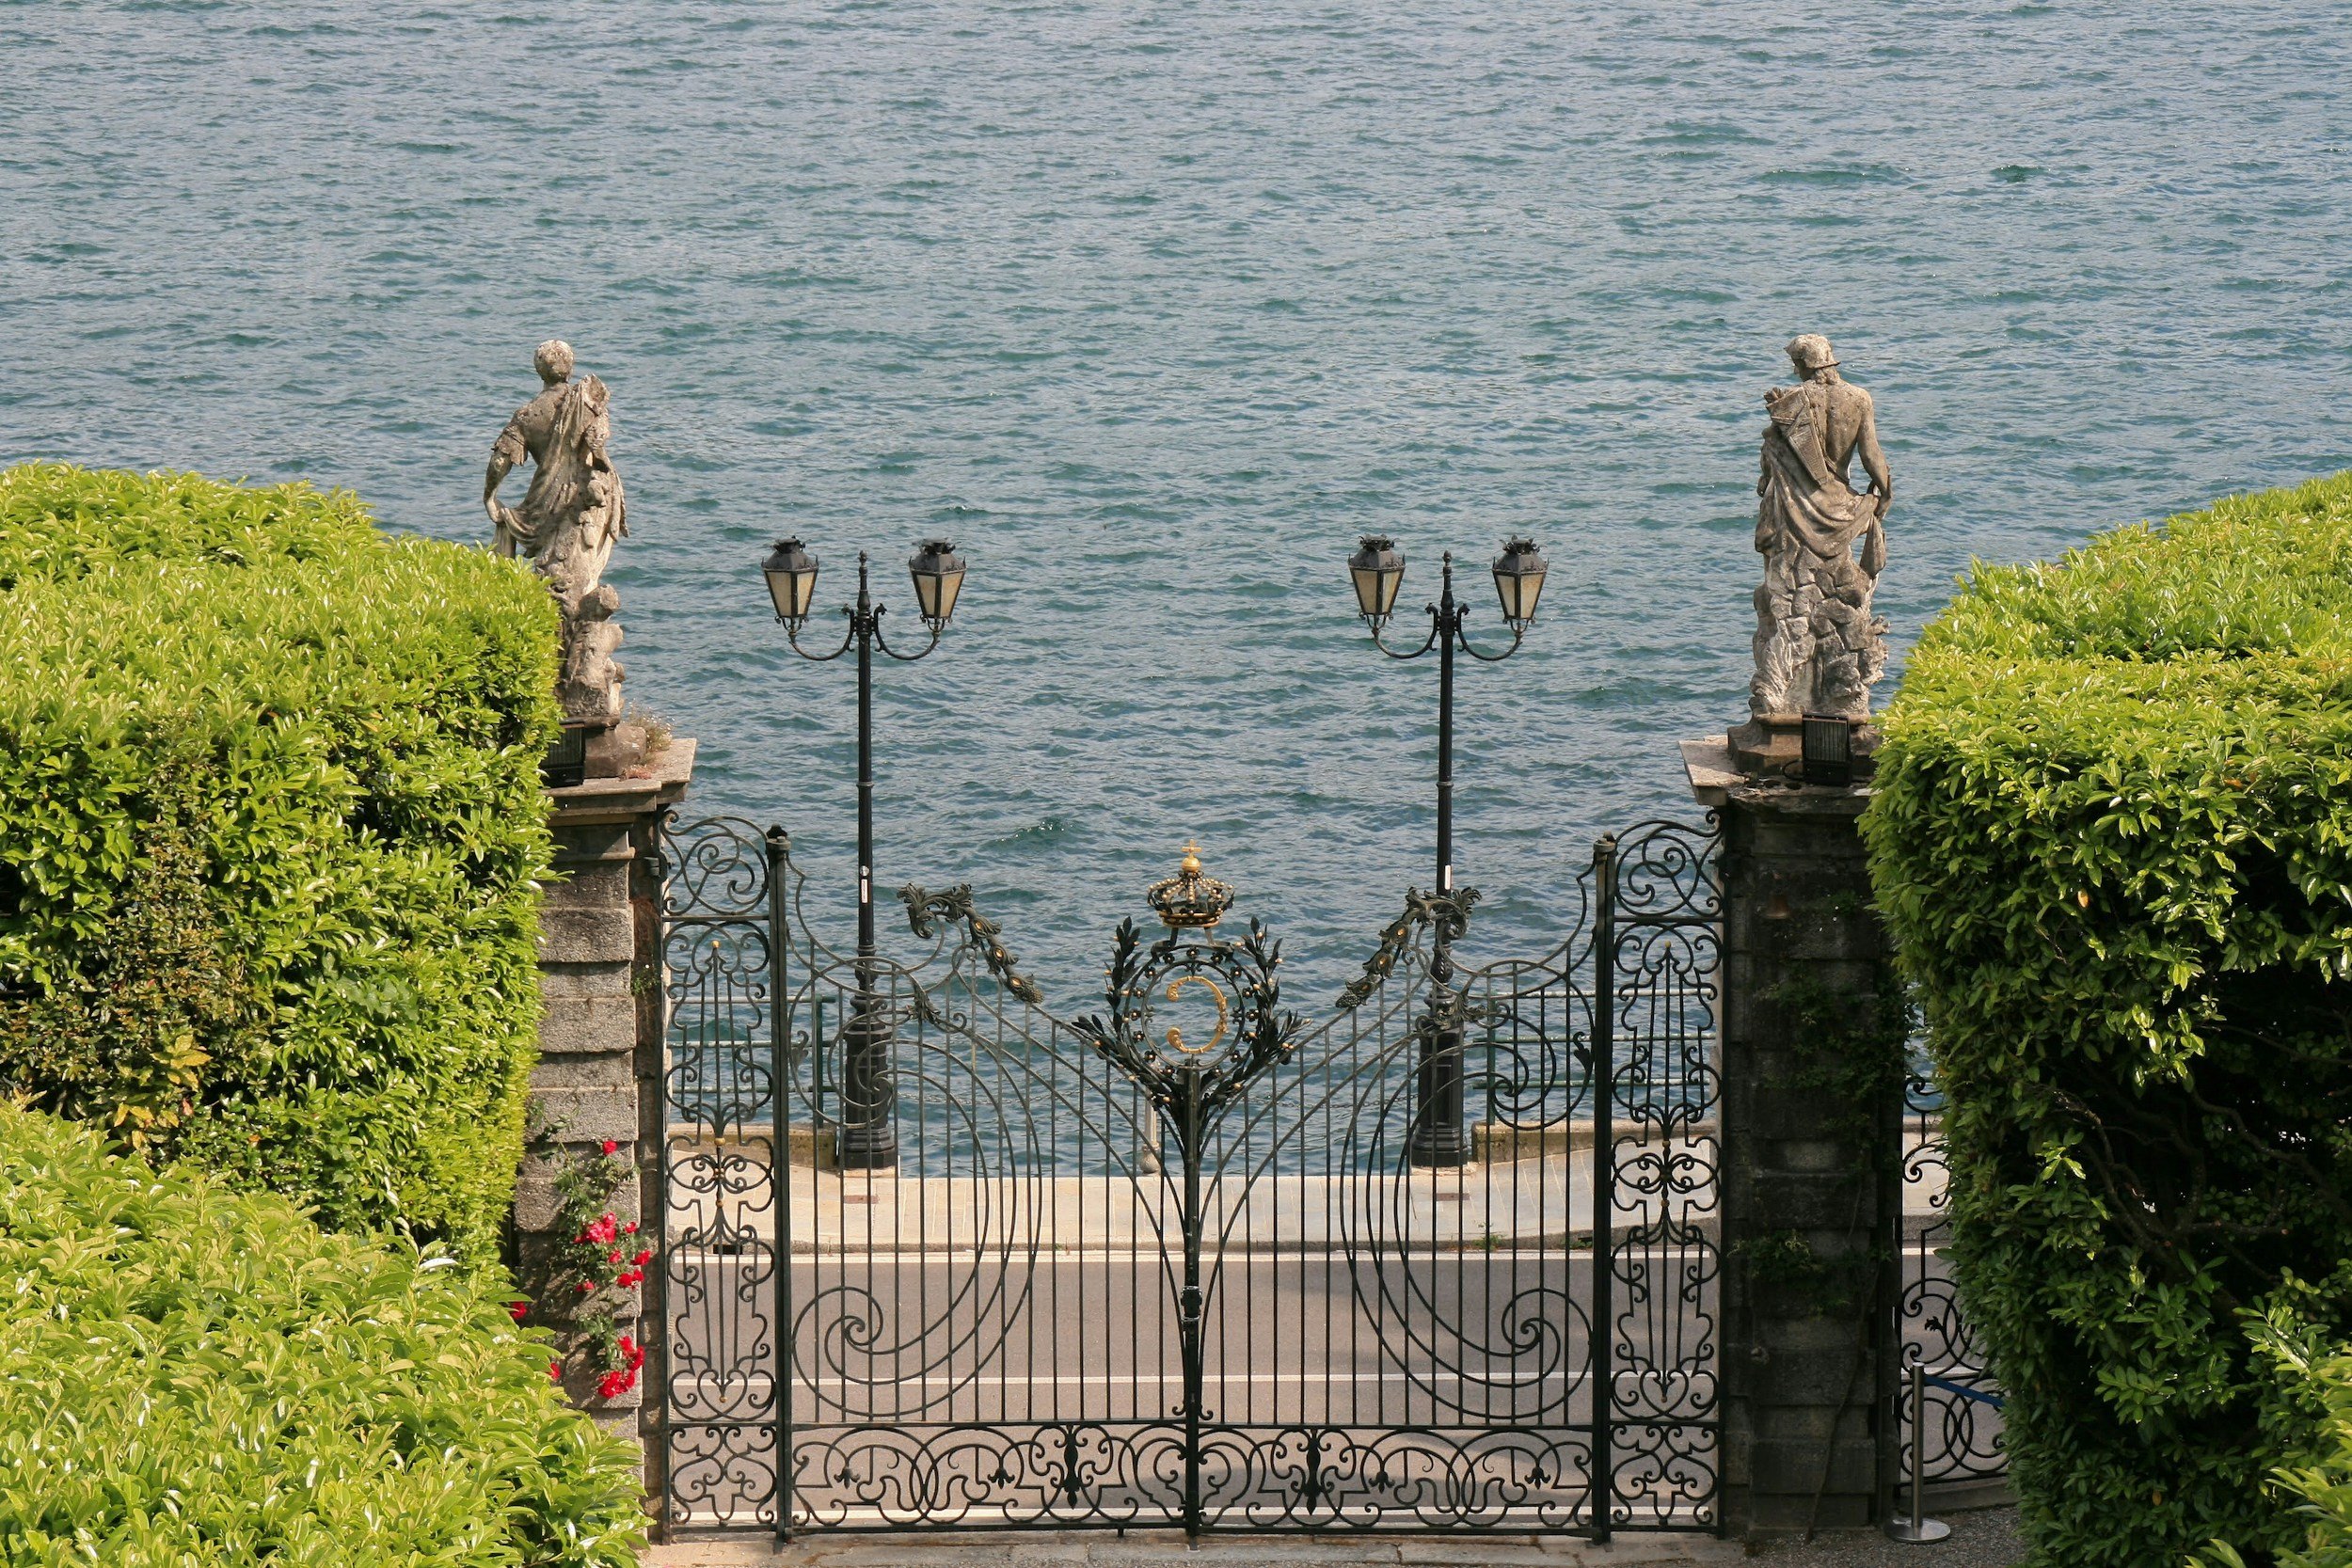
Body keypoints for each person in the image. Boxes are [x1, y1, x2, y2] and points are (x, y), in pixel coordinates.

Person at [1749, 334, 1891, 721]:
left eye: (1795, 363)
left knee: (1790, 598)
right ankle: (1842, 694)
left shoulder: (1792, 403)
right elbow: (1871, 454)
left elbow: (1772, 464)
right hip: (1843, 508)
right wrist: (1885, 489)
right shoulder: (1859, 398)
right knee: (1847, 592)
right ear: (1830, 362)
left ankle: (1781, 693)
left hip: (1798, 513)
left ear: (1803, 364)